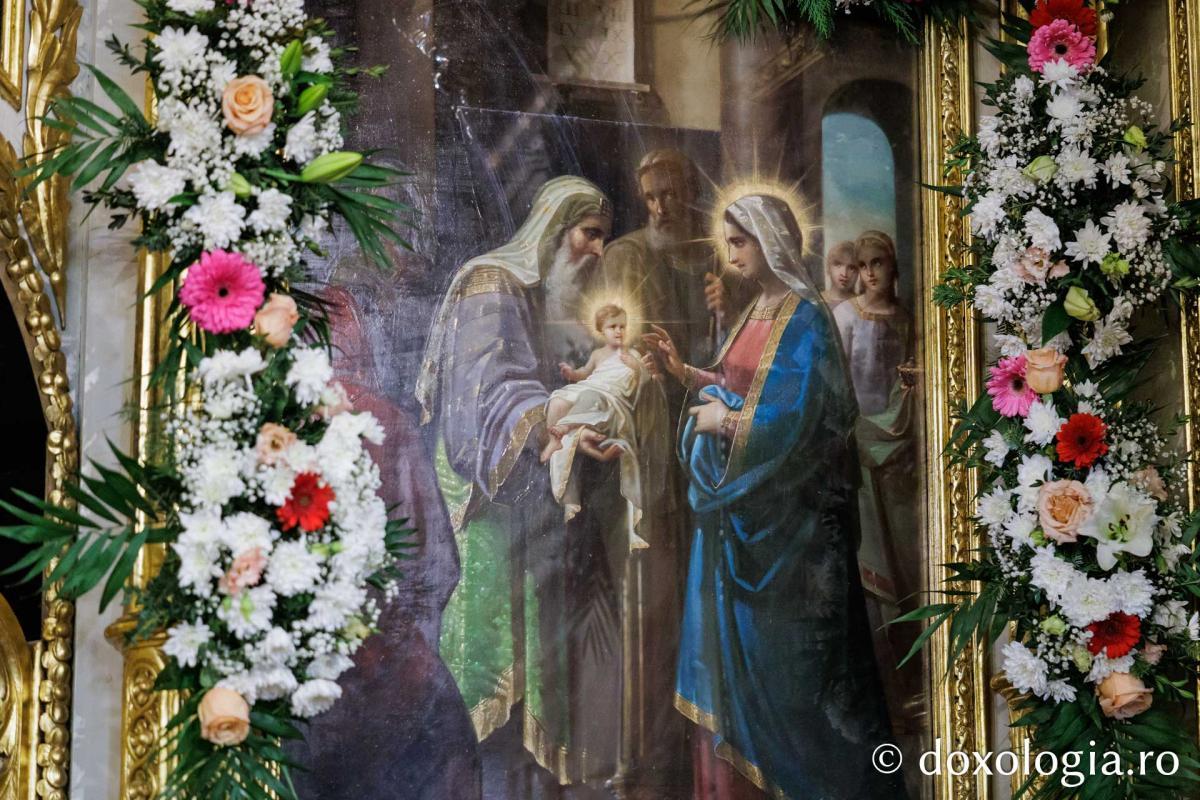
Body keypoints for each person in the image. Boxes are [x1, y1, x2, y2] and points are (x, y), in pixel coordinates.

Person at [642, 194, 906, 800]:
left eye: (739, 242)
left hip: (791, 535)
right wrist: (687, 375)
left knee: (788, 677)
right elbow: (740, 384)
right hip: (740, 521)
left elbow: (801, 419)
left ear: (770, 241)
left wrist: (727, 422)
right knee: (734, 664)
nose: (730, 253)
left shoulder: (806, 316)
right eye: (728, 241)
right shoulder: (757, 308)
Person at [416, 176, 630, 797]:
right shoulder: (491, 283)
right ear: (554, 229)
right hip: (488, 510)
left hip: (536, 510)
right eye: (589, 234)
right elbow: (484, 397)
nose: (597, 251)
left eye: (604, 238)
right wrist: (553, 428)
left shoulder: (551, 300)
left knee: (546, 685)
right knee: (491, 684)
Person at [833, 230, 923, 750]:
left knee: (905, 571)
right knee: (870, 577)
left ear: (893, 267)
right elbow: (839, 391)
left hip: (900, 458)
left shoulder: (909, 321)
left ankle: (908, 694)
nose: (869, 273)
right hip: (859, 454)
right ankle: (878, 699)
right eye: (863, 264)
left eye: (879, 263)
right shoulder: (845, 318)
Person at [593, 148, 752, 367]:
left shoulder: (723, 253)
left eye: (669, 194)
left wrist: (729, 315)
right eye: (650, 198)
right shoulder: (625, 255)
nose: (660, 209)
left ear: (691, 192)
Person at [543, 303, 663, 554]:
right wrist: (571, 373)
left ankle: (565, 428)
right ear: (601, 330)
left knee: (589, 399)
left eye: (622, 326)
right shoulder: (598, 354)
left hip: (611, 401)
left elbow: (644, 384)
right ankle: (555, 439)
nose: (618, 331)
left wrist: (639, 368)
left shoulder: (633, 354)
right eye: (612, 327)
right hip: (592, 388)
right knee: (557, 401)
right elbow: (584, 374)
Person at [822, 239, 860, 308]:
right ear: (828, 267)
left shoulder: (863, 305)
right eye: (838, 264)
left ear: (858, 272)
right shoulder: (817, 301)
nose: (844, 274)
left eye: (851, 268)